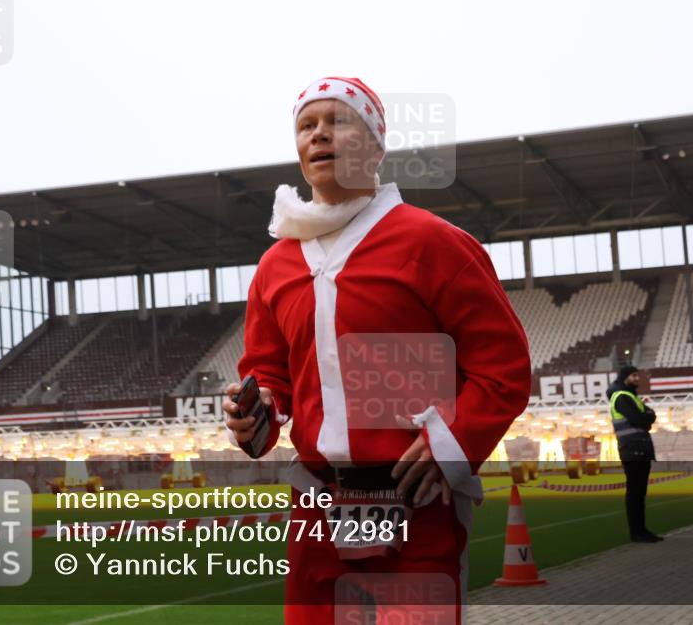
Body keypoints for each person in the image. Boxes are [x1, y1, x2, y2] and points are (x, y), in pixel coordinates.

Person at [223, 76, 532, 623]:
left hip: (415, 503)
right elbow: (269, 376)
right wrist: (256, 415)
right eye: (305, 126)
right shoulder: (276, 265)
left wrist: (450, 443)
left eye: (336, 121)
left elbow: (503, 369)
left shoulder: (432, 242)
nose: (318, 135)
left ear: (376, 146)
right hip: (317, 505)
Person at [607, 365, 662, 543]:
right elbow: (641, 419)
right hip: (633, 448)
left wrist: (646, 418)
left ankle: (641, 530)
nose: (637, 378)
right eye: (634, 375)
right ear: (625, 378)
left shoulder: (630, 396)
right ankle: (637, 532)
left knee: (639, 492)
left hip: (638, 448)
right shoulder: (622, 397)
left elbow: (650, 415)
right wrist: (646, 419)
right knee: (635, 492)